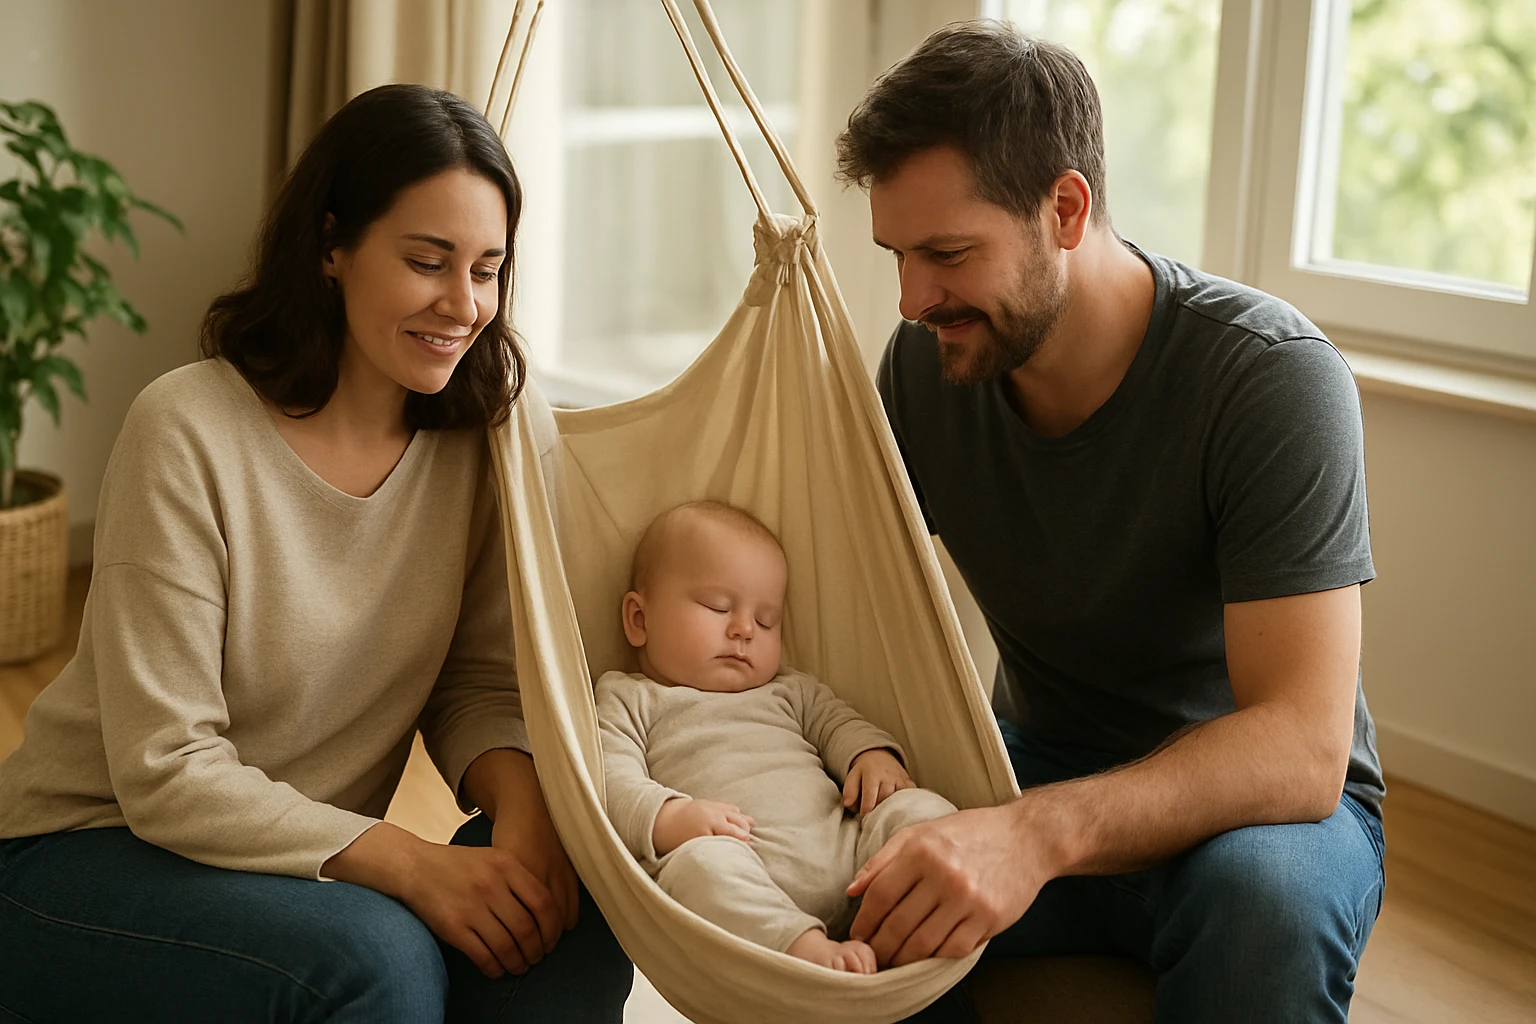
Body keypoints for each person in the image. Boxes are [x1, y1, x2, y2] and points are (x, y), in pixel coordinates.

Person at [0, 84, 632, 1023]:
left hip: (298, 867)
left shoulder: (491, 429)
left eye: (488, 269)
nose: (463, 305)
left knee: (579, 905)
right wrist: (410, 863)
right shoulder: (187, 429)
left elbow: (477, 679)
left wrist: (531, 820)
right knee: (377, 960)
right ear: (331, 246)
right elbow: (167, 767)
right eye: (427, 261)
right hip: (89, 849)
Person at [832, 22, 1386, 1023]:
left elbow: (1303, 749)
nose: (912, 300)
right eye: (898, 256)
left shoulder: (1270, 378)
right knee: (851, 886)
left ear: (1066, 209)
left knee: (1262, 911)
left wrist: (1036, 834)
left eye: (947, 253)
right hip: (1034, 756)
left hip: (1256, 805)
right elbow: (843, 591)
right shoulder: (928, 366)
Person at [595, 500, 957, 974]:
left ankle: (909, 907)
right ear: (639, 620)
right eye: (717, 606)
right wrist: (669, 816)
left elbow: (838, 724)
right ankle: (801, 947)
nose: (745, 629)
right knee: (697, 871)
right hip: (740, 864)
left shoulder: (790, 689)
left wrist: (871, 756)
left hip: (850, 852)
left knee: (922, 811)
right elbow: (607, 779)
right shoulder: (629, 698)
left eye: (767, 620)